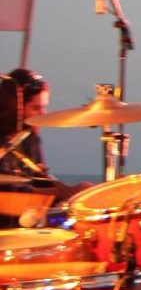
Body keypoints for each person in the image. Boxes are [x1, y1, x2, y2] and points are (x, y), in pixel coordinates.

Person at [0, 68, 87, 226]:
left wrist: (73, 192)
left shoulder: (30, 139)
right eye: (36, 108)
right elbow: (7, 199)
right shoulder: (3, 144)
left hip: (26, 226)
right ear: (15, 108)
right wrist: (63, 192)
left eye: (44, 107)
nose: (43, 114)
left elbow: (38, 183)